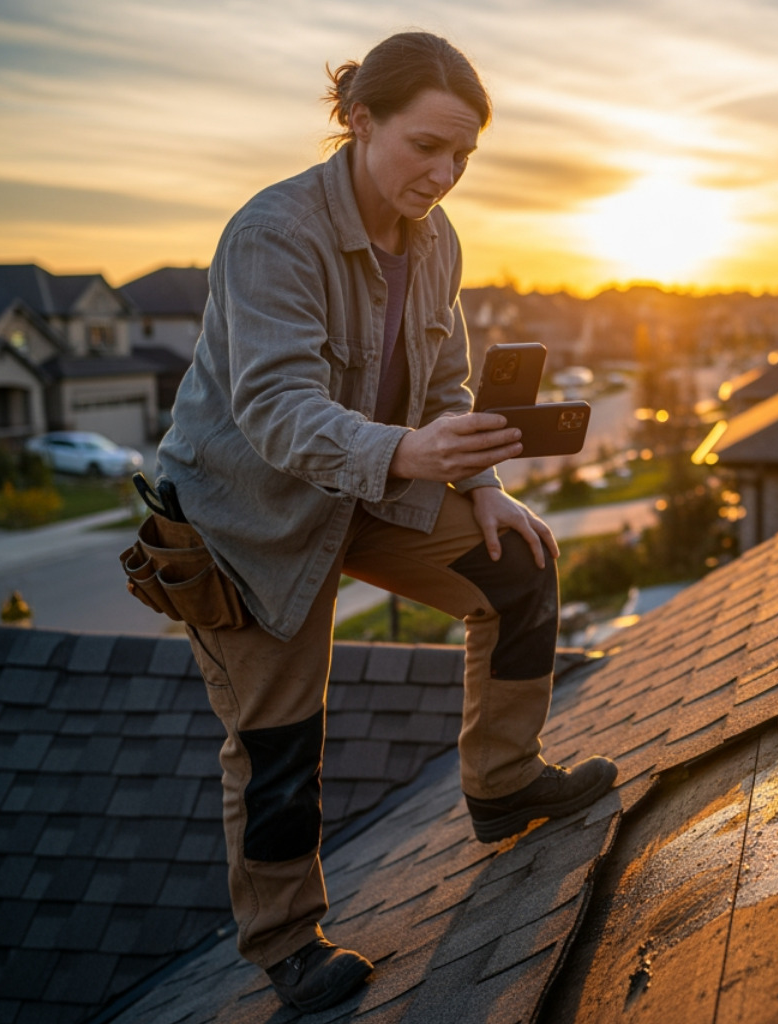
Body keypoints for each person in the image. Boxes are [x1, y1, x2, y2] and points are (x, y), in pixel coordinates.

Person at [152, 31, 616, 1013]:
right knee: (279, 735)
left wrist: (482, 483)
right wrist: (408, 454)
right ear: (361, 121)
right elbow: (277, 409)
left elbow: (445, 380)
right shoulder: (274, 233)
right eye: (426, 147)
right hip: (248, 517)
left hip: (363, 489)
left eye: (463, 155)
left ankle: (504, 782)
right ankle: (285, 940)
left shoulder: (435, 239)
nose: (444, 175)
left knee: (519, 562)